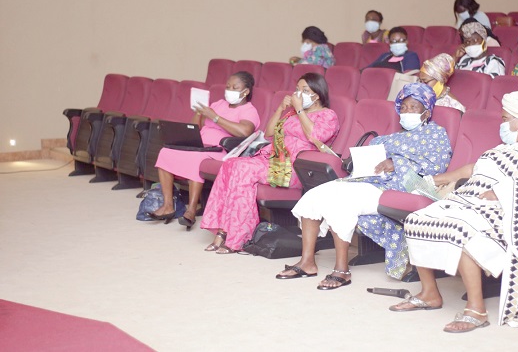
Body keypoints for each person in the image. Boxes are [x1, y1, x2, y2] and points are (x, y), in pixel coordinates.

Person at [395, 84, 518, 333]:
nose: (502, 124)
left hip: (509, 208)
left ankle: (476, 310)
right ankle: (430, 293)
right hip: (469, 197)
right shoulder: (504, 148)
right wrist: (435, 180)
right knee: (418, 218)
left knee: (461, 228)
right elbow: (473, 169)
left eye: (506, 119)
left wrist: (503, 192)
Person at [277, 83, 452, 286]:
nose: (407, 111)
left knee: (342, 202)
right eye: (403, 108)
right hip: (368, 180)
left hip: (397, 186)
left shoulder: (436, 135)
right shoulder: (393, 137)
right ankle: (307, 262)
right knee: (315, 195)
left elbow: (436, 166)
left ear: (426, 112)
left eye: (413, 107)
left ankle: (341, 270)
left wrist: (396, 163)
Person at [201, 73, 339, 253]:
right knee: (231, 164)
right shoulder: (291, 113)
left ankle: (238, 236)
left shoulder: (328, 115)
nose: (299, 93)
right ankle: (223, 230)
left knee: (242, 169)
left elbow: (315, 136)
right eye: (297, 89)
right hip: (271, 159)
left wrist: (299, 111)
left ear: (317, 94)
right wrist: (281, 109)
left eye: (305, 90)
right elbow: (268, 133)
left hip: (295, 168)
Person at [148, 72, 261, 229]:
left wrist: (215, 118)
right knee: (165, 152)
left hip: (222, 150)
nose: (229, 90)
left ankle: (191, 210)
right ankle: (168, 206)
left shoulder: (248, 110)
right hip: (199, 144)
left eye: (235, 87)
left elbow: (244, 132)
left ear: (246, 91)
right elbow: (196, 126)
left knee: (197, 160)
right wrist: (199, 113)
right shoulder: (218, 104)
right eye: (228, 86)